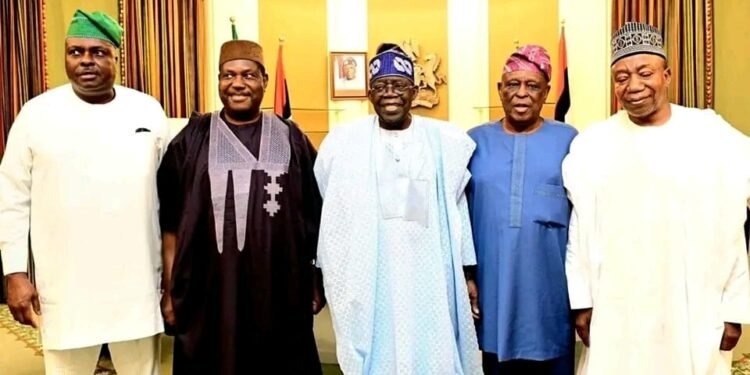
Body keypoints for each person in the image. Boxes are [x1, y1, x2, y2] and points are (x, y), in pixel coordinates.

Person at [563, 22, 750, 374]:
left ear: (667, 74)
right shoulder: (592, 145)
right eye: (621, 76)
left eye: (644, 72)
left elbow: (734, 224)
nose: (633, 86)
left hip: (693, 306)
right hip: (618, 310)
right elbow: (579, 229)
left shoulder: (711, 133)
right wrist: (582, 303)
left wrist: (734, 308)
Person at [0, 9, 167, 374]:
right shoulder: (36, 114)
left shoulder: (148, 110)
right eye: (76, 52)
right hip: (66, 281)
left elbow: (170, 195)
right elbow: (11, 198)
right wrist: (14, 273)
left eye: (98, 52)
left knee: (142, 370)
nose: (86, 61)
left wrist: (172, 272)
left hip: (135, 279)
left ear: (117, 58)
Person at [156, 34, 325, 375]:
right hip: (209, 298)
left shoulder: (292, 137)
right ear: (218, 81)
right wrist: (170, 291)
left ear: (264, 81)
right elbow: (170, 224)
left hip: (281, 291)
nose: (237, 83)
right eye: (228, 75)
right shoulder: (191, 140)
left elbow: (316, 219)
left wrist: (315, 280)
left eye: (248, 75)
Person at [314, 43, 481, 375]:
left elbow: (457, 208)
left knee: (433, 353)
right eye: (381, 86)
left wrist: (467, 270)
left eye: (399, 85)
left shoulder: (444, 142)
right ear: (369, 93)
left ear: (414, 91)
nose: (390, 93)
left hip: (429, 274)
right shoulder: (344, 144)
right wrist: (325, 270)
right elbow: (331, 210)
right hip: (371, 274)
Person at [467, 45, 577, 375]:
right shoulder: (473, 143)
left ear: (546, 92)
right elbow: (457, 214)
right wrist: (467, 274)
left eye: (532, 85)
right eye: (513, 84)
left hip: (551, 290)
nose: (521, 94)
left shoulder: (570, 141)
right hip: (492, 286)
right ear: (500, 89)